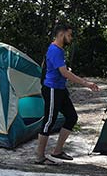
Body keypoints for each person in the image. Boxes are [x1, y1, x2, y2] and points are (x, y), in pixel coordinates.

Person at [35, 23, 99, 165]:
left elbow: (59, 69)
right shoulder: (55, 50)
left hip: (60, 89)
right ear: (61, 34)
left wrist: (65, 70)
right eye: (69, 35)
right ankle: (39, 156)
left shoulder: (59, 50)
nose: (71, 38)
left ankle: (57, 151)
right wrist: (87, 84)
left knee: (71, 117)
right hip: (52, 89)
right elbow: (64, 73)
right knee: (49, 121)